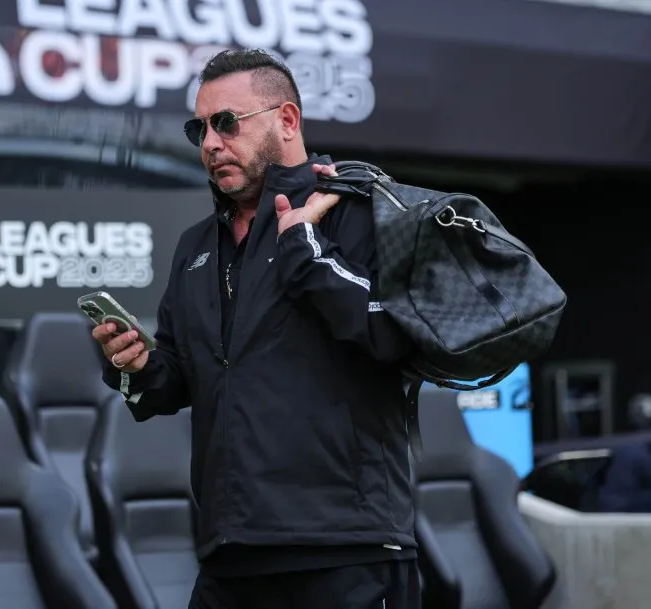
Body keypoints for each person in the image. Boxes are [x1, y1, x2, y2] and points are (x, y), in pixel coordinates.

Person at [92, 49, 419, 609]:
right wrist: (136, 365)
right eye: (199, 128)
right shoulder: (195, 246)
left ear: (286, 120)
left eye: (226, 123)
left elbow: (395, 337)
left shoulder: (355, 208)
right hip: (231, 552)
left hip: (347, 549)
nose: (210, 143)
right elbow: (176, 382)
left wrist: (305, 250)